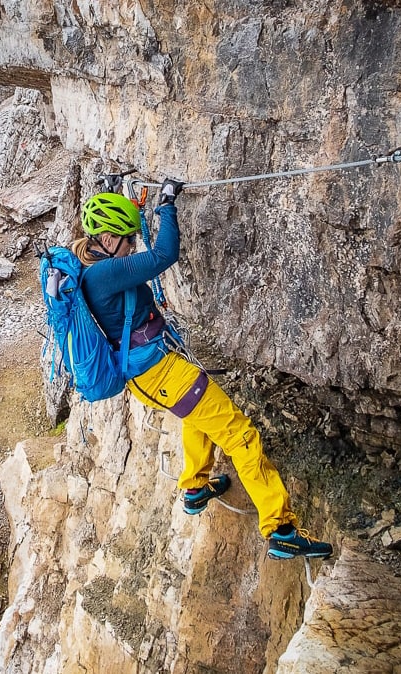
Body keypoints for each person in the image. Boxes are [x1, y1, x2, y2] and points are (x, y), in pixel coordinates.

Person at [72, 183, 333, 560]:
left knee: (195, 416)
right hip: (161, 372)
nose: (131, 246)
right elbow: (164, 254)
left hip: (151, 374)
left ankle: (195, 487)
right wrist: (166, 205)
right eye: (128, 239)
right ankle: (281, 528)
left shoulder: (89, 267)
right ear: (109, 237)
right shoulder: (105, 273)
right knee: (240, 434)